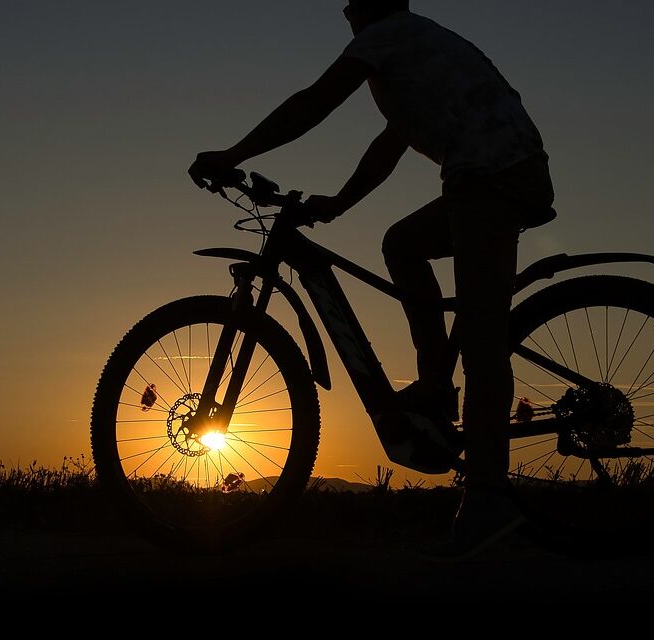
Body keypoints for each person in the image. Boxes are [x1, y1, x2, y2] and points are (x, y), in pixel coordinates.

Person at [189, 0, 555, 561]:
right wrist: (338, 204)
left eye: (353, 2)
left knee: (483, 342)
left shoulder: (388, 35)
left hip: (492, 178)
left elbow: (315, 102)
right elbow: (390, 145)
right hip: (496, 172)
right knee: (401, 245)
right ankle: (435, 387)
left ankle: (489, 500)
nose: (346, 11)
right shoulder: (413, 46)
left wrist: (233, 153)